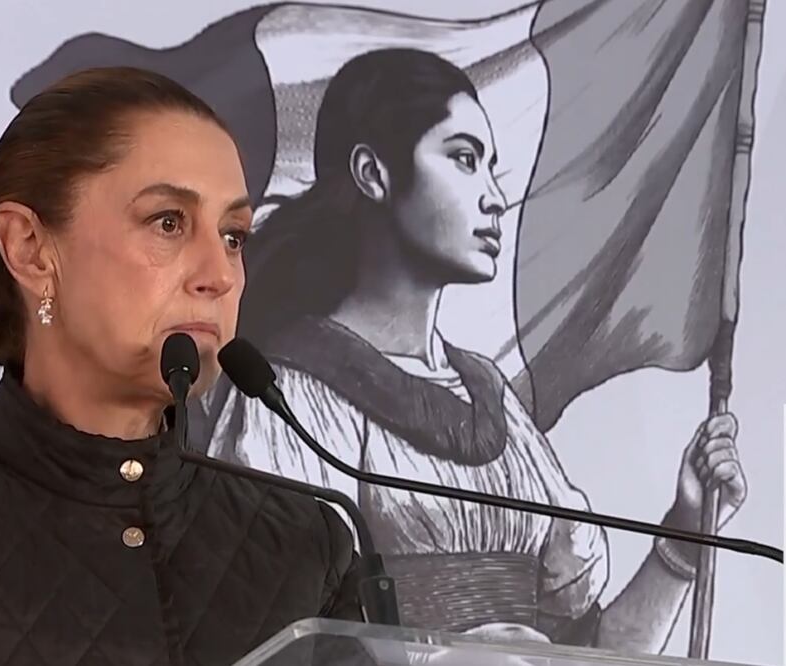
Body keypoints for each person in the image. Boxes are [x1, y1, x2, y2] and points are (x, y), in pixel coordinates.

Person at [0, 67, 365, 666]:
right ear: (30, 248)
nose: (218, 275)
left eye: (234, 235)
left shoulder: (309, 541)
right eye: (168, 222)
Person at [198, 49, 747, 653]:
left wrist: (684, 535)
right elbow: (273, 640)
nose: (494, 197)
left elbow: (590, 651)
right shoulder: (290, 398)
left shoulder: (496, 404)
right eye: (464, 159)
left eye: (491, 167)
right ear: (373, 173)